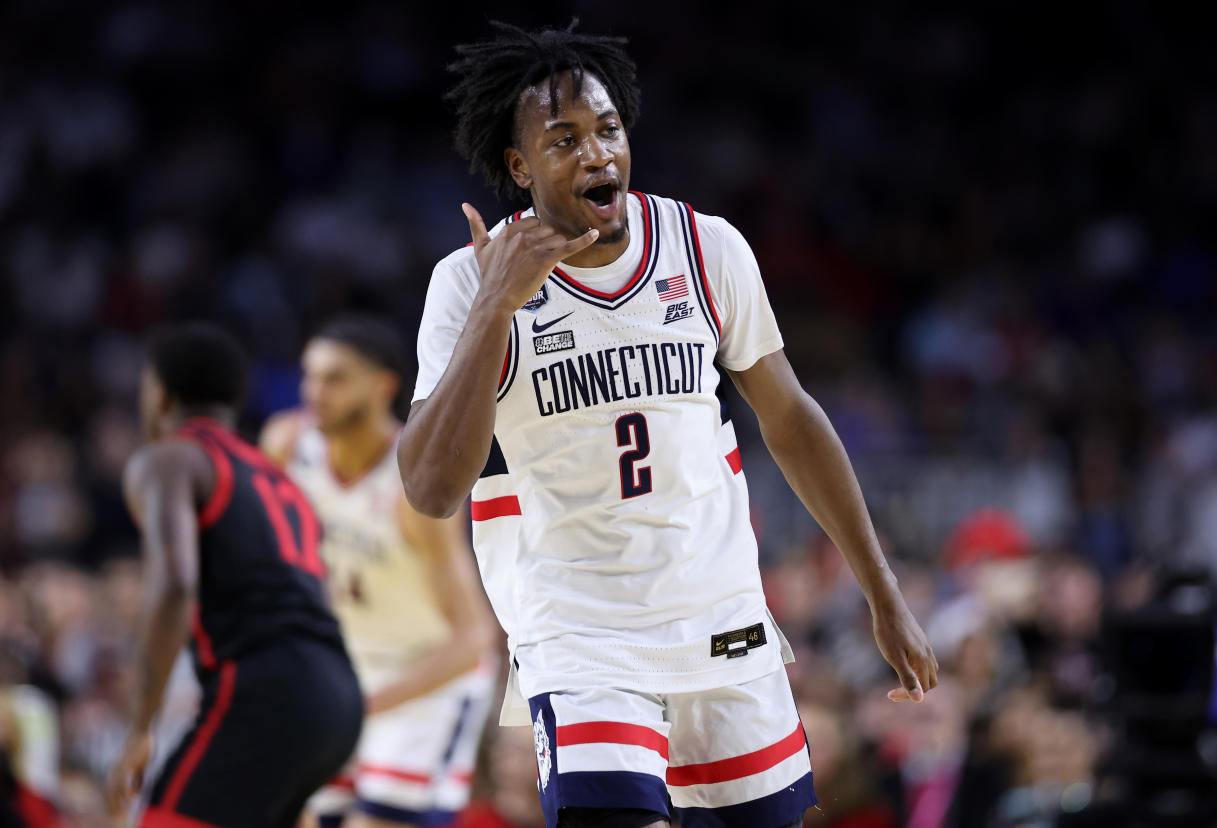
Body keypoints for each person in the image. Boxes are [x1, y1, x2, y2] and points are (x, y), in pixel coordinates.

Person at [398, 21, 939, 828]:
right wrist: (494, 310)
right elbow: (432, 488)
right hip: (578, 637)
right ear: (520, 167)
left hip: (720, 619)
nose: (597, 154)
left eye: (608, 129)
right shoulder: (466, 284)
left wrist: (880, 585)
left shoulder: (704, 245)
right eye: (564, 139)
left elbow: (790, 420)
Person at [107, 323, 363, 827]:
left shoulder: (171, 458)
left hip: (264, 686)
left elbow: (175, 583)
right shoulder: (279, 480)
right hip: (339, 696)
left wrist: (140, 726)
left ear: (159, 395)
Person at [261, 315, 497, 828]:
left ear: (384, 385)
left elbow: (473, 637)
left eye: (335, 379)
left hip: (426, 677)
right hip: (340, 669)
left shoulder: (412, 487)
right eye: (311, 376)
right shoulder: (285, 445)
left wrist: (363, 704)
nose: (314, 392)